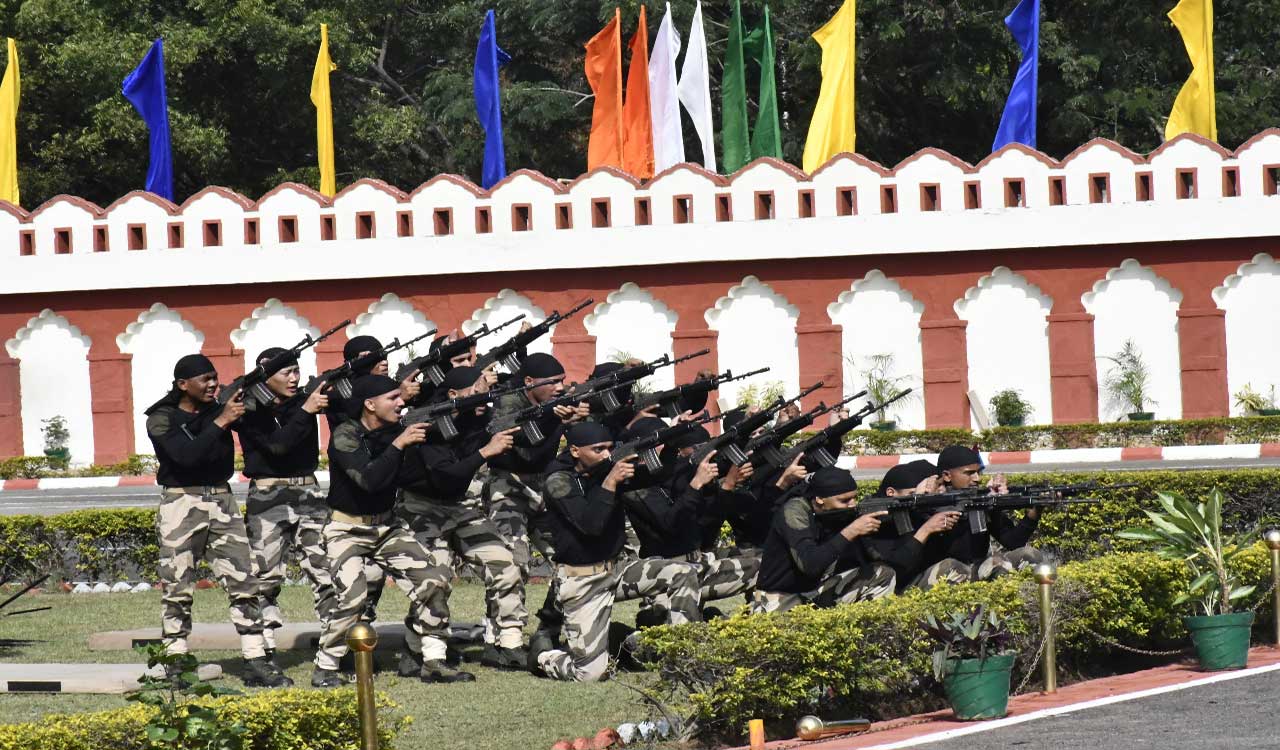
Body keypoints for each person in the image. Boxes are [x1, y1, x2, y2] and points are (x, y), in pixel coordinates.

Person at [143, 353, 288, 687]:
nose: (212, 385)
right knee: (178, 584)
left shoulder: (220, 406)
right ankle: (175, 657)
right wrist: (221, 420)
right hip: (182, 500)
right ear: (183, 385)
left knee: (244, 581)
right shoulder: (161, 418)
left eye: (215, 378)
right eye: (204, 380)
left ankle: (255, 657)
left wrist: (255, 399)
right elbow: (184, 456)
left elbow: (264, 425)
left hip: (222, 499)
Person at [312, 375, 466, 687]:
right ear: (370, 404)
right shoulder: (346, 434)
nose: (401, 403)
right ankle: (326, 667)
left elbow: (414, 475)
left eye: (401, 397)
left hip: (386, 526)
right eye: (393, 398)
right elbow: (369, 480)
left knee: (434, 578)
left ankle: (434, 660)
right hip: (346, 528)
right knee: (353, 598)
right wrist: (400, 443)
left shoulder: (396, 433)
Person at [529, 423, 703, 683]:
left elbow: (657, 476)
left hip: (617, 570)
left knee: (682, 572)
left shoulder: (605, 472)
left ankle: (682, 659)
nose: (606, 455)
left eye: (609, 449)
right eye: (598, 450)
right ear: (575, 451)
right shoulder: (559, 482)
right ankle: (543, 656)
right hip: (582, 581)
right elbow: (591, 526)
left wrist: (671, 446)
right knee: (590, 674)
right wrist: (611, 481)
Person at [397, 365, 528, 672]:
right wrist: (485, 452)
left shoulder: (479, 419)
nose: (483, 398)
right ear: (453, 395)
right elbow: (446, 477)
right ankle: (427, 652)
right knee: (435, 579)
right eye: (476, 390)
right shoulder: (427, 425)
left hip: (461, 510)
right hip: (421, 510)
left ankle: (509, 644)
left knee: (505, 564)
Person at [234, 347, 335, 658]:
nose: (294, 378)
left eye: (296, 371)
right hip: (268, 494)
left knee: (324, 568)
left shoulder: (304, 400)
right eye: (286, 372)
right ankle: (263, 647)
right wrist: (306, 411)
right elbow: (277, 446)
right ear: (265, 374)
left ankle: (336, 643)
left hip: (308, 490)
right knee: (265, 573)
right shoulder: (248, 408)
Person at [483, 353, 588, 632]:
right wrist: (558, 422)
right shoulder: (508, 406)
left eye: (562, 382)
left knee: (571, 557)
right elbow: (527, 454)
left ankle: (552, 624)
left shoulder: (556, 405)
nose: (559, 387)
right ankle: (503, 634)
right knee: (513, 564)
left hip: (543, 491)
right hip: (508, 489)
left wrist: (577, 422)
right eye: (552, 382)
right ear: (529, 382)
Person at [620, 418, 760, 622]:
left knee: (763, 567)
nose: (672, 449)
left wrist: (727, 485)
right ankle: (638, 641)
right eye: (664, 442)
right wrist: (695, 485)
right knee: (671, 632)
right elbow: (670, 524)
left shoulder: (675, 475)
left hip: (699, 563)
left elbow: (707, 527)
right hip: (666, 575)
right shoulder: (634, 488)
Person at [751, 467, 897, 614]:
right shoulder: (794, 512)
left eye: (855, 498)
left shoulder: (835, 513)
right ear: (819, 499)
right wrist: (851, 530)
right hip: (779, 597)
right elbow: (810, 564)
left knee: (883, 573)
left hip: (813, 590)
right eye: (844, 500)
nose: (852, 504)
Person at [919, 445, 1050, 580]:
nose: (977, 478)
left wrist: (1034, 512)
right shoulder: (931, 504)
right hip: (944, 574)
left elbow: (1013, 542)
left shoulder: (979, 501)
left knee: (1028, 554)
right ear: (947, 476)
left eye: (978, 472)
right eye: (969, 473)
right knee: (952, 566)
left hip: (977, 569)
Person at [860, 460, 969, 591]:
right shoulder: (875, 521)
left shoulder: (924, 513)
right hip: (888, 587)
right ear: (891, 493)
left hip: (915, 579)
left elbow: (965, 554)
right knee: (952, 567)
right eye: (913, 495)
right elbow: (895, 571)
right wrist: (925, 530)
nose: (939, 492)